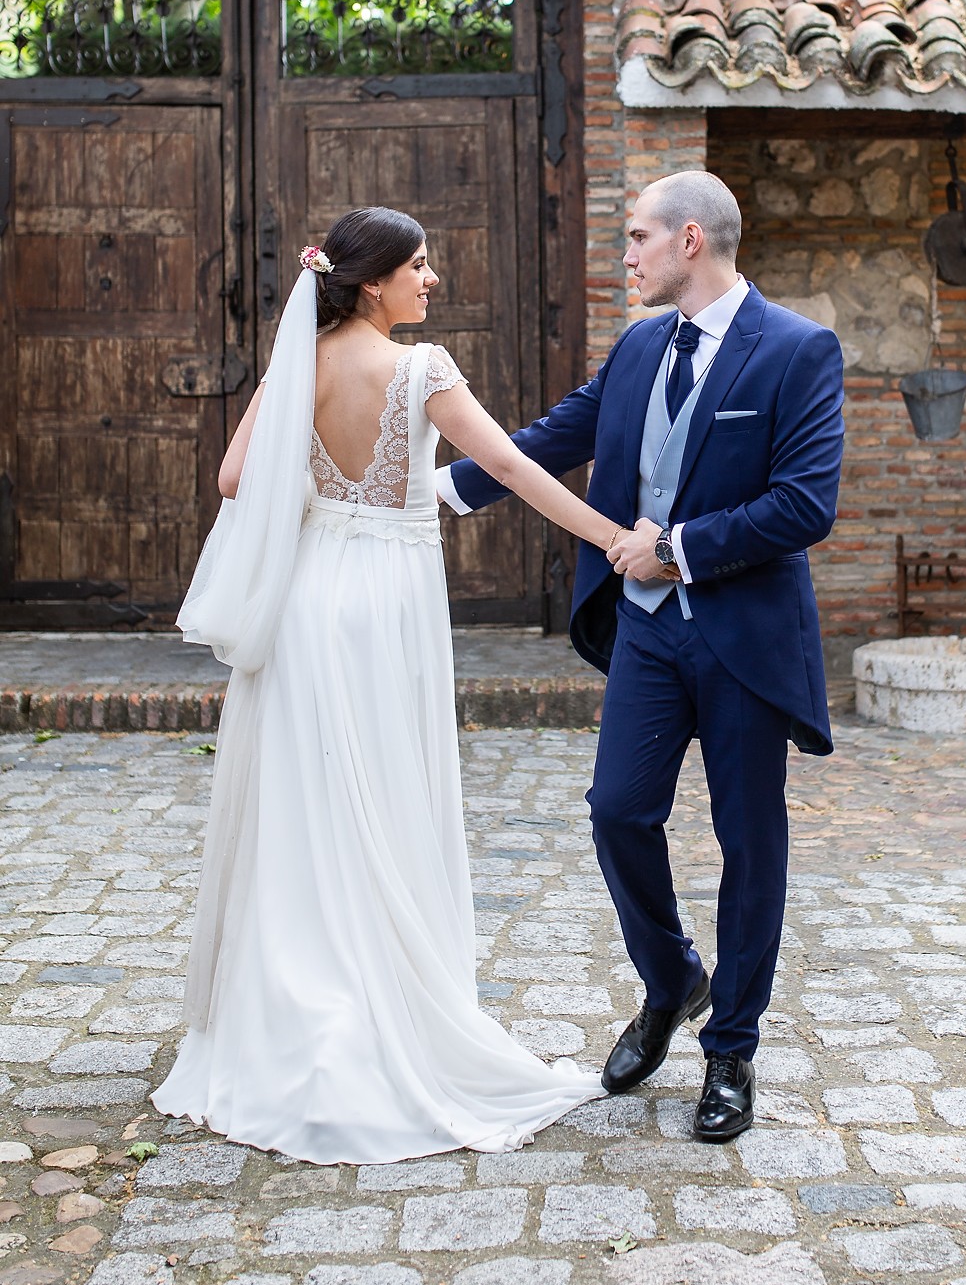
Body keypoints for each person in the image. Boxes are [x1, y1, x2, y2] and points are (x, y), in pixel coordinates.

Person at [151, 205, 628, 1164]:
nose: (432, 280)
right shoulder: (422, 369)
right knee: (388, 793)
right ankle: (384, 1015)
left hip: (307, 599)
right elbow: (503, 463)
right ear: (373, 282)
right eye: (419, 265)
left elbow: (235, 478)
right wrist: (611, 538)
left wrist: (319, 486)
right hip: (384, 605)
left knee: (310, 802)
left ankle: (292, 1011)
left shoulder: (300, 362)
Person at [440, 171, 844, 1140]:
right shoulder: (634, 349)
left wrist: (672, 544)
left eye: (637, 237)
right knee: (617, 810)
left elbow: (805, 502)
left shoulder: (795, 350)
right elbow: (542, 441)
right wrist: (436, 495)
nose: (626, 254)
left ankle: (732, 1050)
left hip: (744, 636)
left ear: (691, 239)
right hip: (649, 633)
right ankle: (672, 979)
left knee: (750, 843)